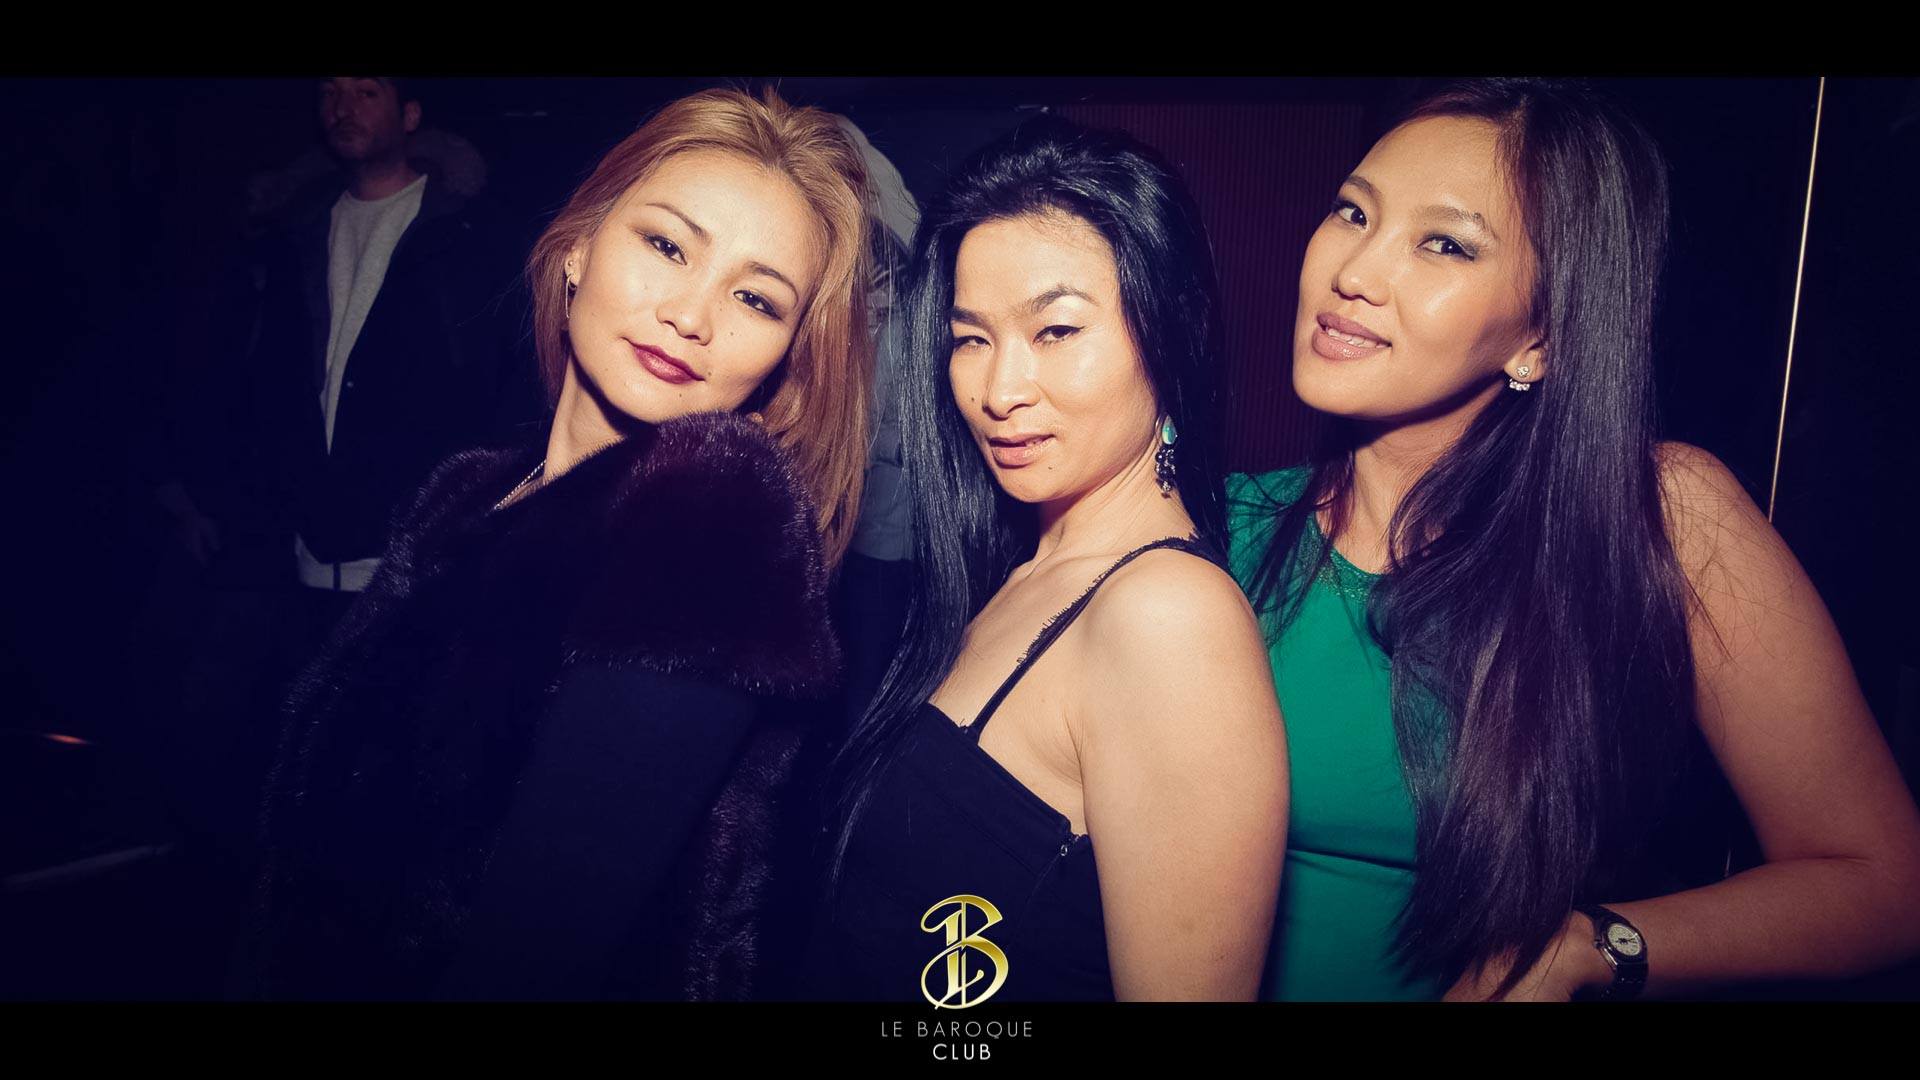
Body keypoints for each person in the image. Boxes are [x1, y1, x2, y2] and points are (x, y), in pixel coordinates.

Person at [1228, 78, 1920, 1001]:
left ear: (1543, 340)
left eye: (1444, 243)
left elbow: (1884, 882)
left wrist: (1588, 949)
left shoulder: (1657, 517)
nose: (1354, 270)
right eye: (1353, 211)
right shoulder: (1213, 529)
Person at [246, 86, 873, 1000]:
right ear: (580, 246)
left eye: (755, 297)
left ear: (784, 360)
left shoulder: (710, 531)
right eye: (667, 246)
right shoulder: (475, 492)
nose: (692, 315)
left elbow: (528, 957)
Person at [812, 118, 1287, 1002]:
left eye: (1057, 330)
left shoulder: (1169, 618)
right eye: (971, 338)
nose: (999, 391)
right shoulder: (1023, 567)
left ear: (1172, 332)